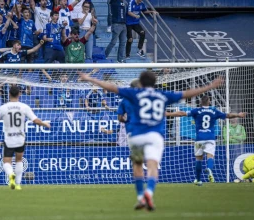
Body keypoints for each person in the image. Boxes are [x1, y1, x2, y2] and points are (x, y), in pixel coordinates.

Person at [78, 71, 223, 211]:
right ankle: (150, 193)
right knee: (153, 166)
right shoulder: (162, 95)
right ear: (155, 83)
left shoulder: (135, 94)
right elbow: (187, 93)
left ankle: (141, 196)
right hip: (155, 136)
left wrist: (90, 79)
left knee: (138, 166)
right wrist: (209, 86)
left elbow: (111, 87)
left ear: (141, 82)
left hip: (137, 135)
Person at [167, 95, 246, 185]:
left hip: (199, 139)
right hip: (210, 138)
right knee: (210, 156)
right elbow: (228, 115)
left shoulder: (196, 111)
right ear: (209, 102)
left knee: (198, 159)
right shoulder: (213, 111)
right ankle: (209, 168)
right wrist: (238, 115)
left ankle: (198, 179)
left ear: (201, 102)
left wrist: (169, 114)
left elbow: (182, 113)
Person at [0, 85, 50, 190]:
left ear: (9, 94)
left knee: (7, 162)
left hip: (9, 139)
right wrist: (45, 124)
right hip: (20, 138)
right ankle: (18, 184)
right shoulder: (24, 107)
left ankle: (10, 175)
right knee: (19, 160)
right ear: (19, 94)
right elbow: (35, 121)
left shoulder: (3, 108)